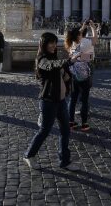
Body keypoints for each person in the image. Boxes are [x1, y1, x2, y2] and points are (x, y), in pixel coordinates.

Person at [22, 32, 79, 171]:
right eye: (50, 43)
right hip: (48, 101)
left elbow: (62, 73)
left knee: (65, 130)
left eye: (55, 42)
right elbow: (52, 65)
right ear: (44, 44)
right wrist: (68, 61)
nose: (54, 45)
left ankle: (64, 161)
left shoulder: (55, 57)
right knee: (44, 131)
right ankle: (29, 155)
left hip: (61, 101)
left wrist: (66, 76)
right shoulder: (41, 60)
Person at [66, 21, 98, 132]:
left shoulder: (71, 44)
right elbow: (95, 39)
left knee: (73, 100)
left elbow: (77, 35)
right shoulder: (85, 43)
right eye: (80, 34)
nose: (82, 34)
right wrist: (93, 27)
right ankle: (84, 124)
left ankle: (70, 122)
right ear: (79, 36)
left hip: (74, 75)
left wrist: (83, 27)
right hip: (85, 75)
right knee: (84, 100)